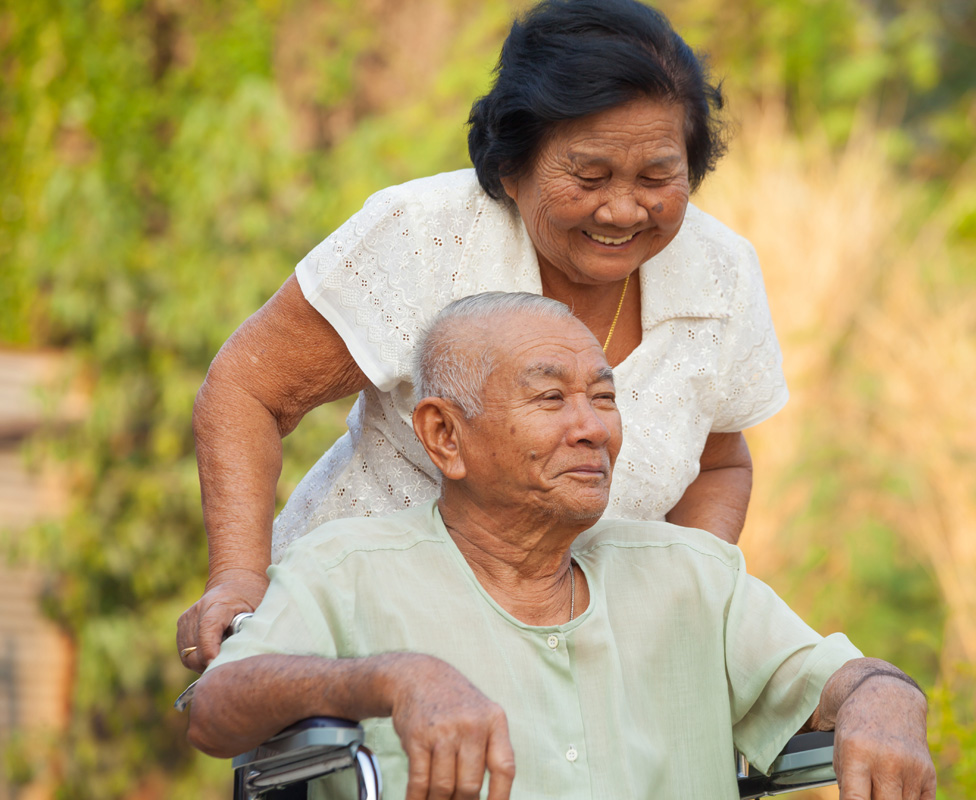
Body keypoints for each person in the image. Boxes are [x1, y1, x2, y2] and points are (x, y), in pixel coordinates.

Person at [178, 0, 791, 671]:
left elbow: (719, 462)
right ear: (510, 165)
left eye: (657, 177)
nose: (622, 209)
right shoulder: (425, 235)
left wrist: (684, 610)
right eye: (588, 177)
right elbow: (248, 389)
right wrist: (238, 578)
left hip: (581, 673)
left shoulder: (720, 273)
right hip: (355, 649)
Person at [186, 293, 936, 800]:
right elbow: (214, 711)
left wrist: (884, 698)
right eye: (551, 398)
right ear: (445, 436)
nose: (592, 428)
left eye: (604, 398)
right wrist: (387, 680)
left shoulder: (691, 577)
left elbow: (845, 680)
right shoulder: (348, 570)